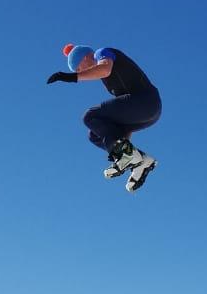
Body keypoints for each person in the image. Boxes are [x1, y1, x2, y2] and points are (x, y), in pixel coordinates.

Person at [46, 43, 161, 191]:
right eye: (77, 71)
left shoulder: (103, 53)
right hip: (147, 114)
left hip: (146, 101)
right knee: (95, 135)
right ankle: (141, 161)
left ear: (85, 57)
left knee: (90, 116)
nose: (80, 72)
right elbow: (121, 128)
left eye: (79, 68)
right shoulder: (110, 82)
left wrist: (71, 77)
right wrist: (121, 149)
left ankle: (128, 155)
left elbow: (104, 69)